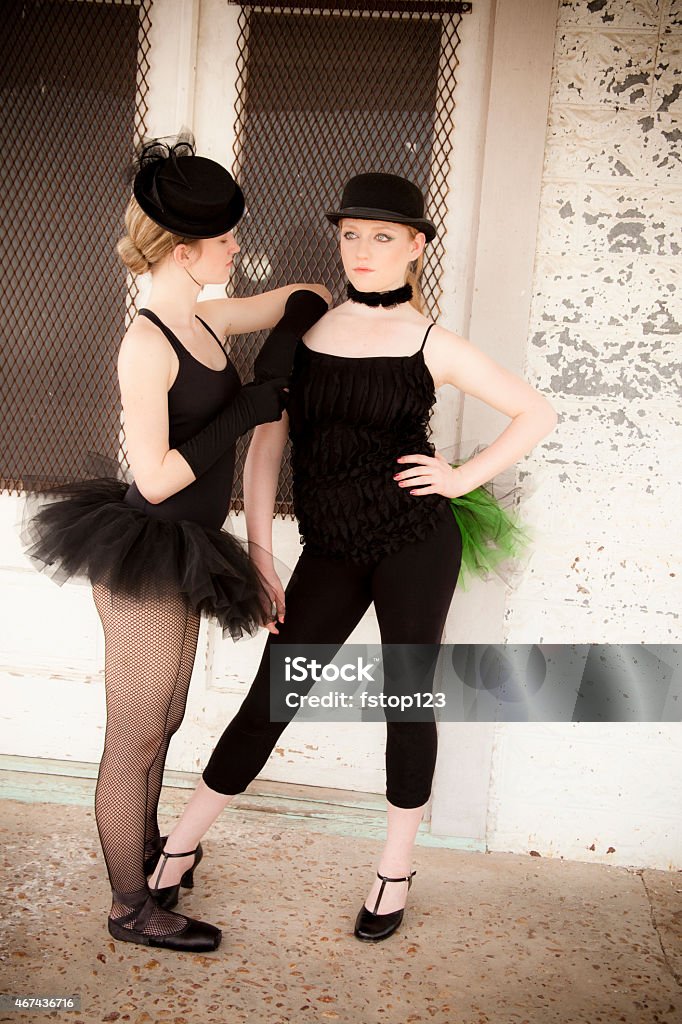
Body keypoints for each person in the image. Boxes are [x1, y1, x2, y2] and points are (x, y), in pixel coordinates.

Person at [147, 171, 558, 943]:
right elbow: (265, 451)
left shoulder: (434, 343)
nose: (362, 250)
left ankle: (395, 867)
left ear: (415, 247)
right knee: (275, 693)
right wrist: (264, 552)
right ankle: (181, 842)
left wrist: (460, 477)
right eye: (350, 235)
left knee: (407, 702)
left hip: (414, 541)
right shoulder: (306, 335)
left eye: (382, 236)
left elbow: (537, 411)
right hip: (330, 547)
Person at [22, 136, 330, 952]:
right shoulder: (147, 341)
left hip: (188, 548)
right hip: (147, 549)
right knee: (135, 735)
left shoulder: (205, 317)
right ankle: (130, 908)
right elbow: (156, 478)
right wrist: (247, 408)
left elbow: (298, 293)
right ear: (187, 251)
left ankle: (150, 854)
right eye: (227, 240)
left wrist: (302, 316)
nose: (238, 249)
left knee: (168, 715)